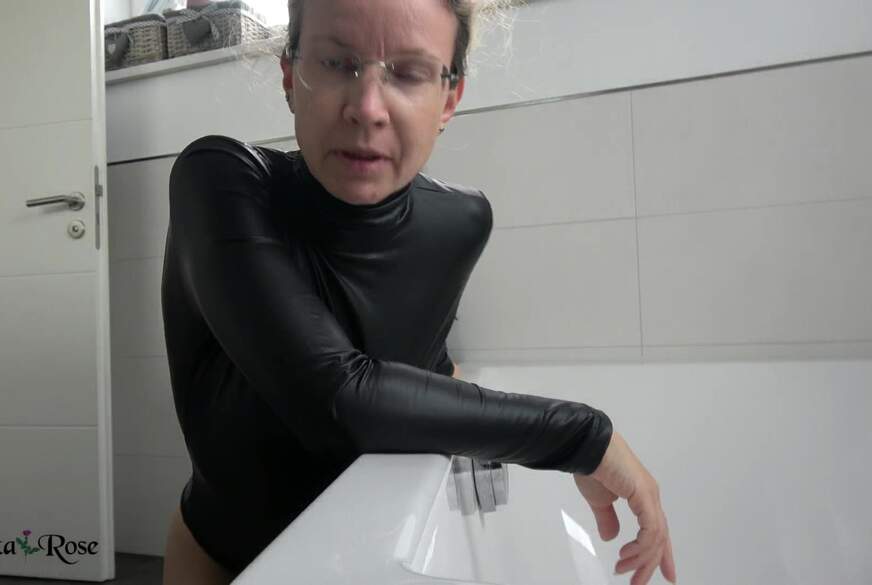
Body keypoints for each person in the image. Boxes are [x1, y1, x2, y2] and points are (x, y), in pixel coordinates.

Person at [160, 1, 677, 584]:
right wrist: (583, 437)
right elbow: (336, 399)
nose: (367, 109)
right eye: (336, 62)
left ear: (449, 99)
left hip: (372, 558)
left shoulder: (460, 222)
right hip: (226, 562)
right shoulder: (220, 182)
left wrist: (476, 452)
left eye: (408, 73)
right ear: (289, 76)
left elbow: (423, 357)